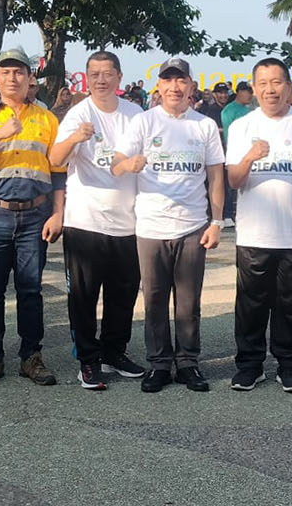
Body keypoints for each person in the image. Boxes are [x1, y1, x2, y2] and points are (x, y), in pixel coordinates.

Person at [113, 57, 225, 393]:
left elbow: (216, 176)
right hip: (150, 226)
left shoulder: (203, 126)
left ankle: (188, 362)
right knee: (155, 299)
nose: (174, 87)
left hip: (192, 227)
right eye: (168, 81)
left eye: (181, 81)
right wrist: (128, 163)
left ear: (191, 86)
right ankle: (159, 363)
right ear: (158, 86)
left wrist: (217, 221)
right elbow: (116, 164)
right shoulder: (145, 123)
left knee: (189, 302)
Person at [0, 48, 66, 387]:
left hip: (36, 214)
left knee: (31, 289)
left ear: (29, 77)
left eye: (19, 72)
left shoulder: (47, 119)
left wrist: (59, 213)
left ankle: (31, 356)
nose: (12, 78)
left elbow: (58, 171)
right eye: (5, 72)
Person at [225, 58, 292, 394]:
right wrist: (249, 157)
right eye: (263, 84)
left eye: (277, 83)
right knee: (251, 302)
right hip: (255, 233)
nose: (270, 90)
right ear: (254, 89)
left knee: (291, 302)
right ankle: (250, 365)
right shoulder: (243, 126)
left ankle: (287, 363)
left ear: (288, 87)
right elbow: (234, 180)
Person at [49, 51, 146, 390]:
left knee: (124, 292)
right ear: (86, 78)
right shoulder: (78, 114)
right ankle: (88, 360)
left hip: (128, 222)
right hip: (86, 220)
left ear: (119, 77)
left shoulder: (136, 114)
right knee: (84, 295)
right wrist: (75, 138)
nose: (101, 80)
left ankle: (114, 352)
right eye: (94, 74)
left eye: (108, 73)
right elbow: (55, 160)